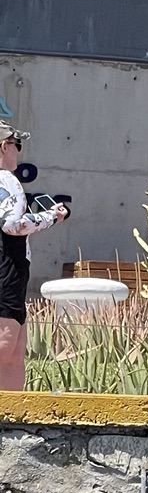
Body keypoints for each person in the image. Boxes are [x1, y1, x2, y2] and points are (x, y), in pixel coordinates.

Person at [0, 123, 66, 392]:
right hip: (6, 269)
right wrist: (51, 217)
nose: (18, 150)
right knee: (6, 348)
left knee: (15, 354)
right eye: (17, 144)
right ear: (3, 147)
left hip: (11, 270)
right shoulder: (6, 180)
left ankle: (11, 413)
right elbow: (12, 225)